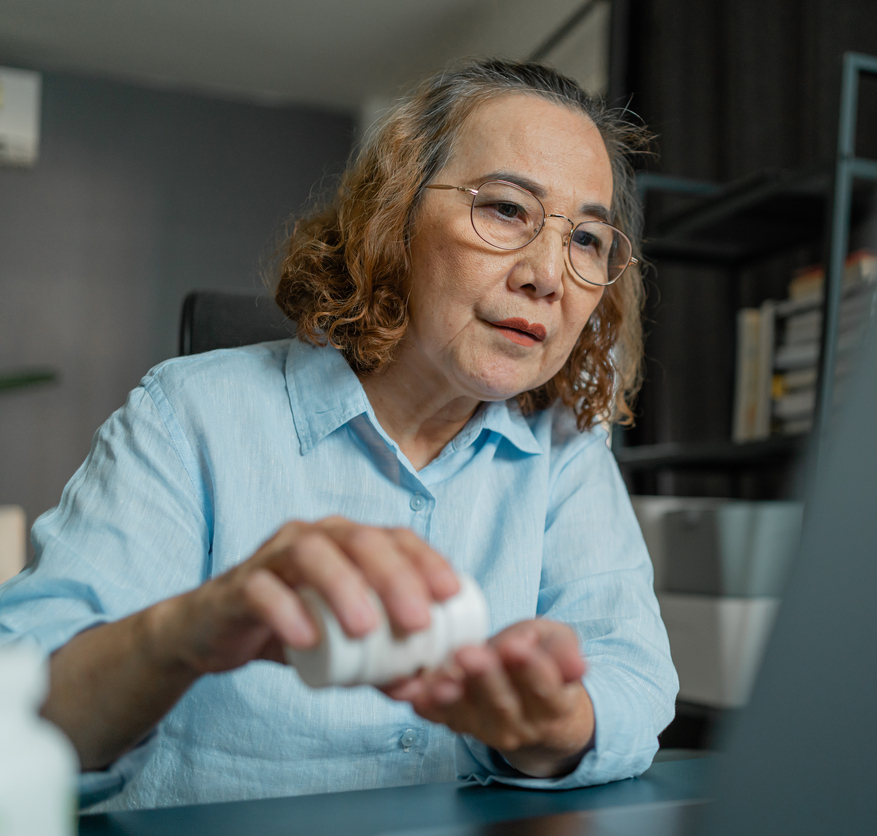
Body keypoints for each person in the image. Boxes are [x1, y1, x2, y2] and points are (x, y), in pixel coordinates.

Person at [0, 59, 678, 811]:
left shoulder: (564, 453)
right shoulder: (188, 414)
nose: (547, 273)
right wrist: (181, 634)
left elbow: (633, 679)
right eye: (509, 209)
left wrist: (553, 722)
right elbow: (22, 719)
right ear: (396, 215)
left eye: (587, 239)